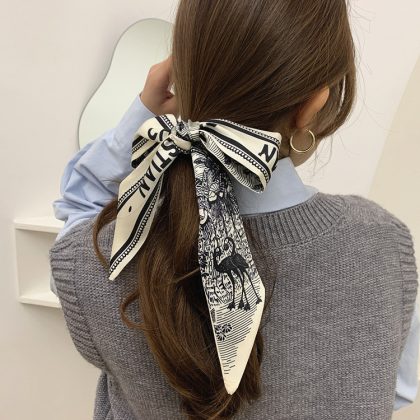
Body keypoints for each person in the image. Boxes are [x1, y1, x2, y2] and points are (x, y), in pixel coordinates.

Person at [49, 1, 419, 419]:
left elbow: (80, 204)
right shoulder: (384, 245)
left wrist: (142, 115)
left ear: (183, 78)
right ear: (313, 104)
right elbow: (394, 389)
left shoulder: (98, 261)